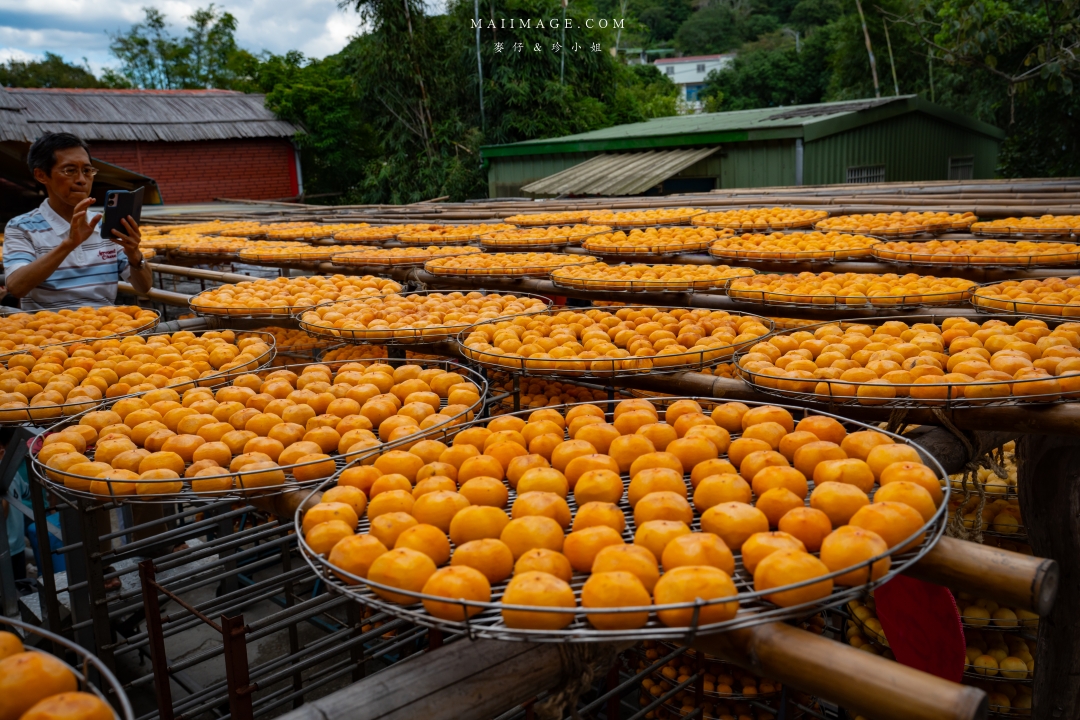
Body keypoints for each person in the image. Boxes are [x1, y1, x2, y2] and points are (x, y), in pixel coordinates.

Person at [3, 132, 153, 309]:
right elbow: (16, 287)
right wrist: (69, 244)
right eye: (70, 171)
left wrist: (135, 255)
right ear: (41, 175)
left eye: (87, 171)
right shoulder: (21, 227)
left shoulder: (104, 224)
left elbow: (144, 287)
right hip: (49, 326)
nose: (82, 180)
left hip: (104, 323)